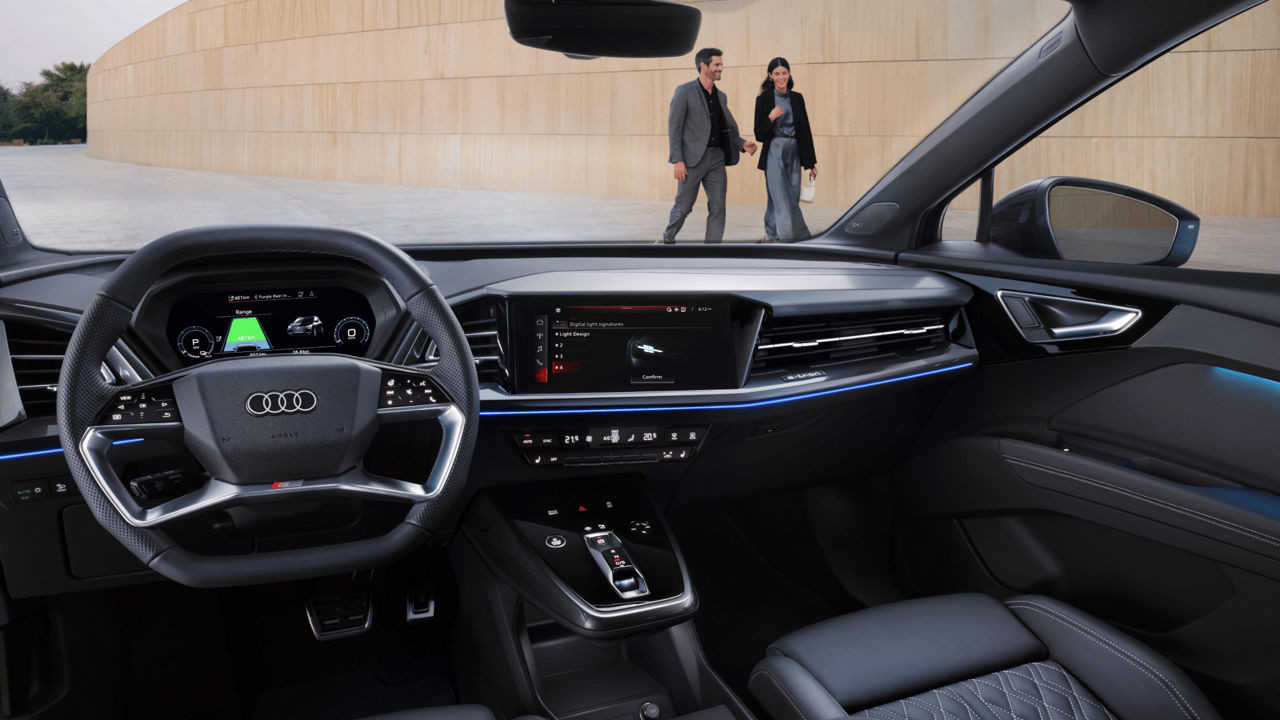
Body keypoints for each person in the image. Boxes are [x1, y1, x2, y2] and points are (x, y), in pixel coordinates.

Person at [661, 48, 758, 244]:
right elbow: (675, 128)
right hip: (691, 161)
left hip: (716, 159)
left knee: (718, 206)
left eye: (721, 65)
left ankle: (712, 249)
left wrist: (741, 143)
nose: (720, 68)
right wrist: (677, 160)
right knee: (684, 206)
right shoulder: (684, 91)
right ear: (703, 66)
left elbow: (723, 129)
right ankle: (668, 238)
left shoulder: (721, 96)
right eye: (716, 65)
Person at [754, 57, 817, 242]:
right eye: (777, 74)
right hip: (775, 150)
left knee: (791, 196)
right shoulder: (764, 99)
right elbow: (759, 133)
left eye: (784, 73)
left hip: (795, 151)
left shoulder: (797, 98)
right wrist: (771, 118)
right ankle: (789, 237)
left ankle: (771, 233)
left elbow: (805, 130)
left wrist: (810, 163)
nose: (781, 77)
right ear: (770, 76)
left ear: (789, 74)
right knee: (780, 196)